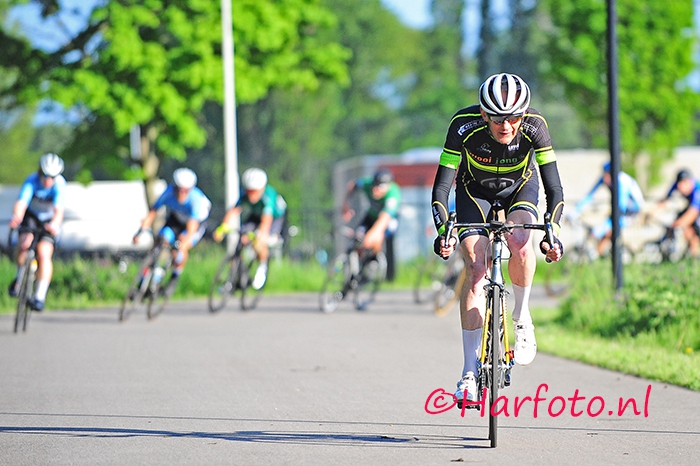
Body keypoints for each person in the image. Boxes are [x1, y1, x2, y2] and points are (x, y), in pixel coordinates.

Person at [431, 73, 564, 404]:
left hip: (520, 188)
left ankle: (522, 316)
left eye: (514, 118)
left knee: (520, 241)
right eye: (497, 118)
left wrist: (553, 233)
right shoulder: (462, 125)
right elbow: (442, 187)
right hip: (473, 192)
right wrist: (444, 230)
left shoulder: (535, 126)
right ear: (483, 114)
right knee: (476, 268)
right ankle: (467, 373)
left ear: (524, 114)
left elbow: (554, 188)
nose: (506, 126)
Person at [133, 168, 211, 296]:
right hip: (176, 219)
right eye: (178, 189)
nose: (181, 193)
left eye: (185, 190)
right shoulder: (168, 193)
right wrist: (140, 231)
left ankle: (175, 276)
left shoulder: (196, 200)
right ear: (174, 186)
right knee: (161, 239)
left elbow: (191, 229)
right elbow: (152, 212)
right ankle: (145, 278)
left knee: (181, 247)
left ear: (190, 189)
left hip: (194, 223)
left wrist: (182, 245)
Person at [7, 153, 67, 311]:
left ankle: (40, 296)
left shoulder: (60, 184)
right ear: (40, 172)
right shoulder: (31, 181)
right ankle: (19, 278)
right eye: (45, 176)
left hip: (49, 220)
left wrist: (55, 225)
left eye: (52, 177)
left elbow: (59, 210)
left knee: (44, 253)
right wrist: (16, 218)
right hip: (31, 216)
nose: (48, 180)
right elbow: (21, 203)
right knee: (24, 243)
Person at [213, 168, 287, 290]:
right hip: (255, 216)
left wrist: (259, 234)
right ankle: (232, 279)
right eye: (249, 191)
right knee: (239, 243)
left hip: (274, 218)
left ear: (262, 189)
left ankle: (262, 267)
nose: (251, 195)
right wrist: (222, 228)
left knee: (259, 241)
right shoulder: (244, 194)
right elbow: (234, 211)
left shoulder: (269, 196)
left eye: (255, 191)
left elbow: (266, 221)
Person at [570, 162, 645, 256]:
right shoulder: (606, 178)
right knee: (601, 230)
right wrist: (575, 211)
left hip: (631, 212)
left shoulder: (622, 181)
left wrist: (601, 228)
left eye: (608, 174)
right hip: (618, 210)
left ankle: (597, 254)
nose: (605, 178)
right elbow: (590, 196)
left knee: (608, 232)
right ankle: (598, 253)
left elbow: (620, 207)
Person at [342, 169, 401, 263]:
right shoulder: (368, 184)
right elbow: (353, 185)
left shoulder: (393, 194)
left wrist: (373, 233)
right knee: (359, 237)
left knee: (377, 237)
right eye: (374, 186)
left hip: (388, 221)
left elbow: (385, 217)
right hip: (371, 216)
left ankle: (374, 259)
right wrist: (345, 204)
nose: (375, 190)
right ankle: (360, 262)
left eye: (379, 187)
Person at [651, 169, 700, 258]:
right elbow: (665, 200)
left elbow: (692, 213)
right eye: (679, 184)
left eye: (684, 183)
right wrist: (653, 212)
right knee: (688, 231)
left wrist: (675, 225)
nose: (681, 187)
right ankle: (693, 257)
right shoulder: (677, 185)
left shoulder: (697, 190)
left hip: (695, 210)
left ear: (690, 181)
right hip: (691, 208)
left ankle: (694, 256)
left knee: (693, 229)